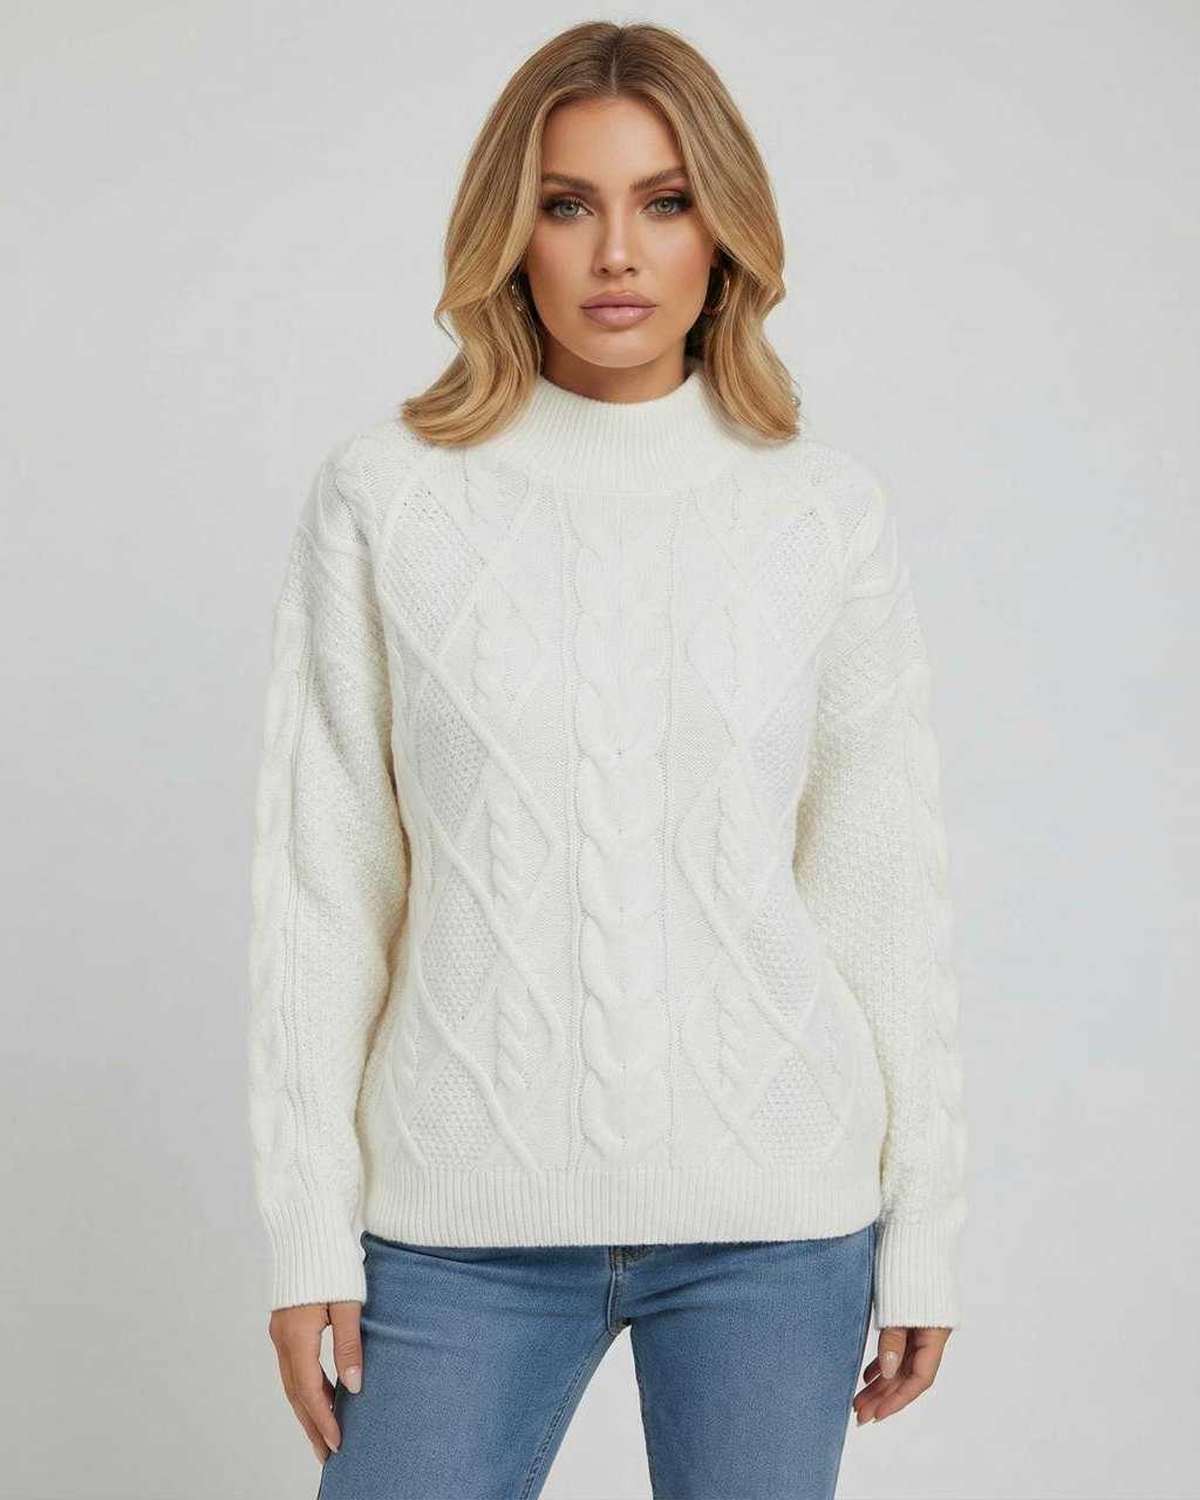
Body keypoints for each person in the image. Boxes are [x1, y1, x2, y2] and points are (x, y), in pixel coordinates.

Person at [246, 20, 969, 1500]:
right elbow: (326, 888)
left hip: (777, 1215)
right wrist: (309, 1233)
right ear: (509, 234)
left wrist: (928, 1229)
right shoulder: (387, 499)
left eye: (666, 201)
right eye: (567, 204)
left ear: (727, 232)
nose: (616, 253)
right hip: (459, 1220)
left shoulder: (821, 513)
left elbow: (880, 887)